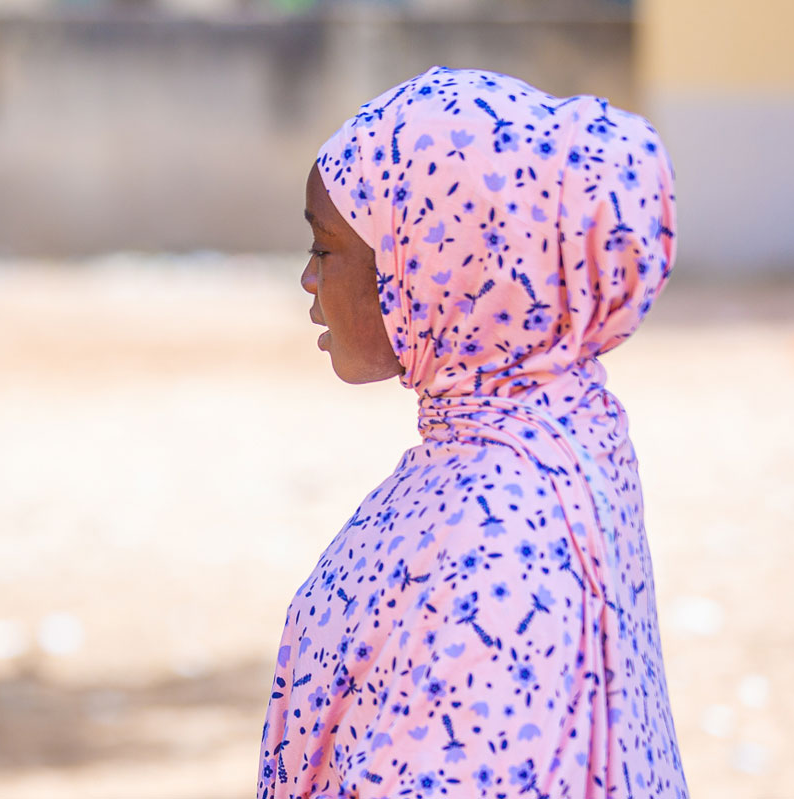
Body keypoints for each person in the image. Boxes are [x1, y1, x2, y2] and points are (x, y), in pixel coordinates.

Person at [260, 67, 686, 798]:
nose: (308, 280)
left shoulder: (502, 527)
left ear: (432, 264)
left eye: (326, 249)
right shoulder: (544, 435)